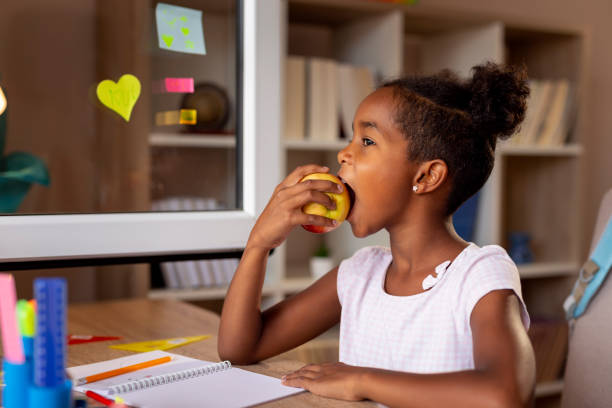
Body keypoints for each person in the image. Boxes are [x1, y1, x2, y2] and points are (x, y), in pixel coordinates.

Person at [218, 62, 535, 407]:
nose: (344, 154)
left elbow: (505, 394)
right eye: (351, 138)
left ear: (427, 176)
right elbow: (240, 348)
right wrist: (259, 244)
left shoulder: (479, 275)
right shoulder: (361, 273)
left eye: (367, 140)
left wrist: (360, 379)